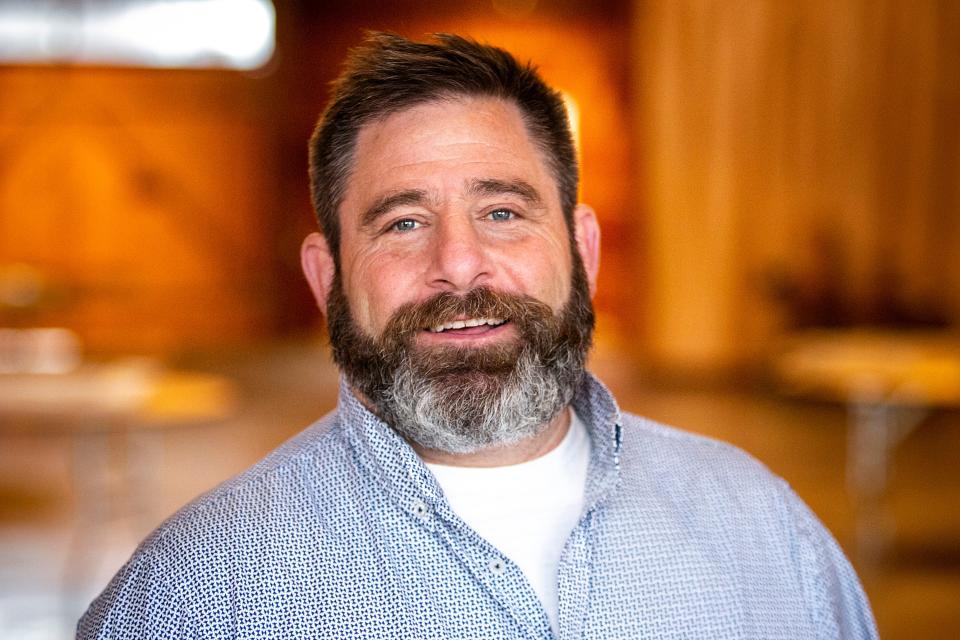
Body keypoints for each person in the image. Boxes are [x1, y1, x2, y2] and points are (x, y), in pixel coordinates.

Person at [79, 32, 878, 639]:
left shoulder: (766, 527)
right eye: (404, 222)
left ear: (583, 251)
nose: (459, 265)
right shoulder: (192, 594)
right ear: (327, 280)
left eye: (502, 212)